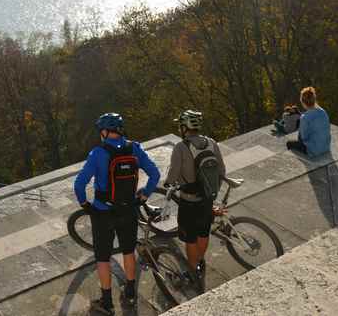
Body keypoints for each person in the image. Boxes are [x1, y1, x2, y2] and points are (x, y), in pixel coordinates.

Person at [73, 112, 160, 315]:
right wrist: (144, 195)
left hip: (103, 212)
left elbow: (79, 184)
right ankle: (130, 292)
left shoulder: (98, 153)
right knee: (128, 250)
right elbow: (155, 174)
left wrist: (86, 205)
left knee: (103, 257)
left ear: (104, 132)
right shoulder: (134, 148)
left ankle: (106, 302)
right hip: (129, 209)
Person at [164, 109, 226, 282]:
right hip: (207, 200)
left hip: (189, 201)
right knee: (203, 233)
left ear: (184, 127)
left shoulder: (181, 147)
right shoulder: (212, 143)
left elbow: (173, 175)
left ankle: (192, 271)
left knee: (190, 238)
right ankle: (200, 260)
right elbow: (221, 171)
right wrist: (211, 191)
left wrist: (169, 183)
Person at [287, 86, 331, 157]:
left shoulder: (304, 117)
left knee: (289, 143)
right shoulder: (323, 112)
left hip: (314, 150)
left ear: (303, 103)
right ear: (314, 100)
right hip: (326, 147)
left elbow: (304, 138)